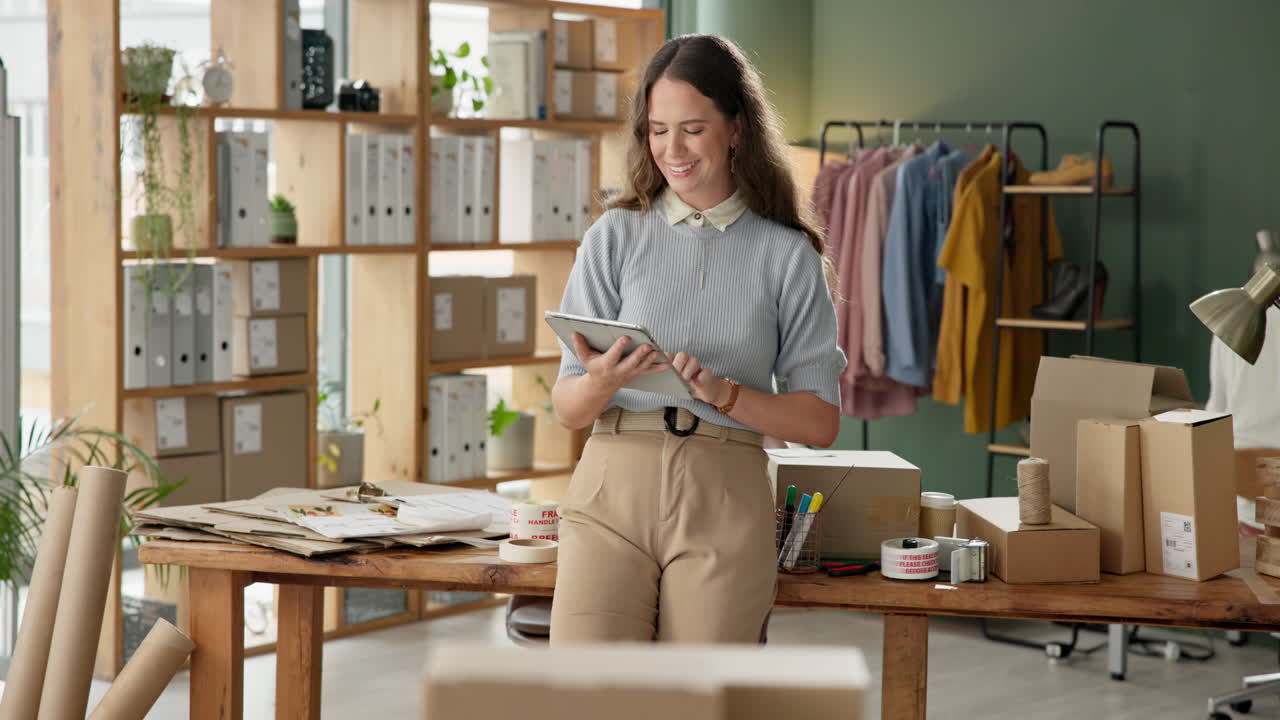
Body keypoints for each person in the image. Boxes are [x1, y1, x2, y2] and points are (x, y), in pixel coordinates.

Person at [549, 33, 846, 645]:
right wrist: (601, 381)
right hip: (610, 488)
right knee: (583, 687)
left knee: (699, 692)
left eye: (692, 129)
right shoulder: (613, 236)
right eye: (658, 130)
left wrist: (726, 394)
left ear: (736, 129)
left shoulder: (788, 254)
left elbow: (820, 423)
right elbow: (567, 408)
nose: (672, 149)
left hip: (726, 497)